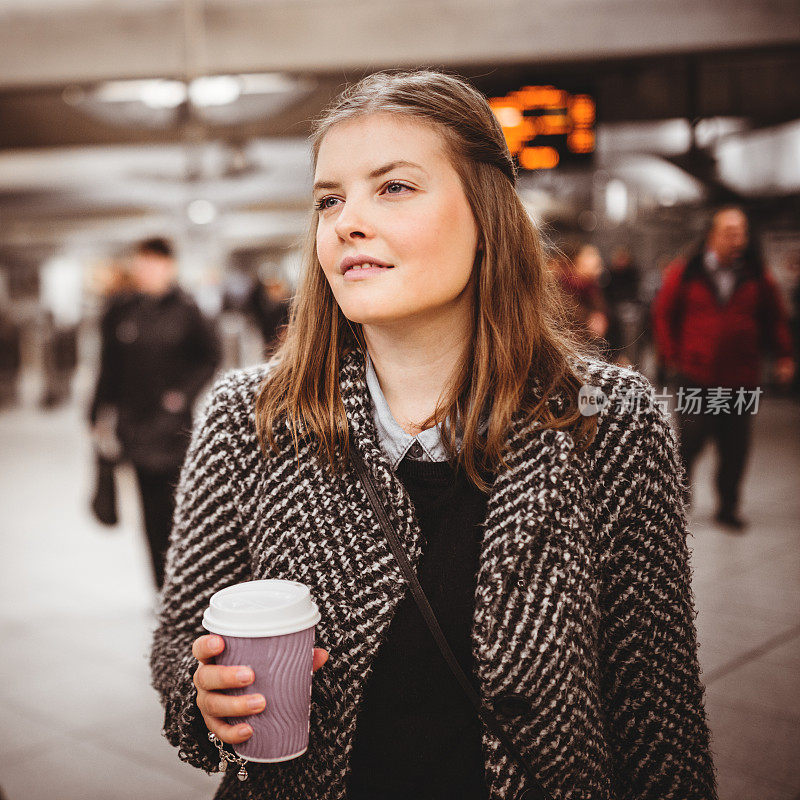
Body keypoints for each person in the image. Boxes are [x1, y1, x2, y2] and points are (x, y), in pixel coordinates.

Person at [150, 71, 718, 800]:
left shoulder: (608, 418)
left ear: (486, 214)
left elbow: (657, 711)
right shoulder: (248, 417)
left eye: (393, 187)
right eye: (330, 198)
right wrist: (204, 697)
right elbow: (178, 646)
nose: (347, 220)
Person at [652, 206, 795, 530]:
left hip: (740, 380)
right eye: (730, 233)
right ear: (712, 236)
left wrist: (785, 356)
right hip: (694, 376)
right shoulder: (686, 271)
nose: (737, 239)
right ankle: (680, 498)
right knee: (690, 440)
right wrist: (671, 354)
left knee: (735, 447)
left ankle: (728, 506)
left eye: (742, 232)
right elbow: (663, 313)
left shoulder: (757, 275)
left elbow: (775, 319)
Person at [90, 237, 221, 588]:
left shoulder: (187, 310)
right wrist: (96, 414)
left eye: (152, 264)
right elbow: (108, 367)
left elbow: (210, 356)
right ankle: (161, 587)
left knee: (181, 508)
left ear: (168, 266)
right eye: (140, 264)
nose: (144, 271)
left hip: (173, 429)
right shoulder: (121, 310)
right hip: (134, 426)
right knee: (150, 511)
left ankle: (186, 580)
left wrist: (183, 394)